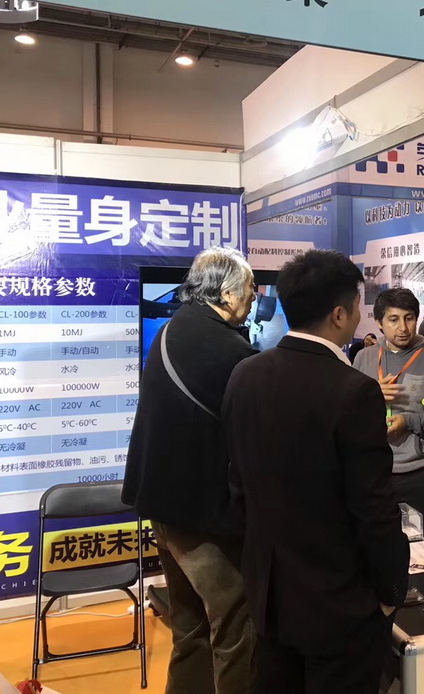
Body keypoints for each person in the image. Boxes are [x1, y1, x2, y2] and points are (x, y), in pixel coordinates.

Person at [224, 250, 409, 694]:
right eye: (359, 306)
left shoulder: (245, 374)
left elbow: (238, 486)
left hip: (268, 593)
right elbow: (373, 506)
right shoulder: (354, 391)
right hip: (339, 601)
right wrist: (391, 591)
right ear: (340, 314)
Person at [123, 247, 257, 694]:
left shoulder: (172, 329)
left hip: (162, 504)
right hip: (202, 515)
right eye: (250, 288)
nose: (254, 297)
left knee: (190, 627)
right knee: (235, 624)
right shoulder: (230, 349)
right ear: (227, 293)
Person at [354, 288, 424, 543]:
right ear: (379, 322)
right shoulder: (364, 358)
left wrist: (410, 421)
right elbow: (348, 414)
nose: (403, 327)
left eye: (409, 318)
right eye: (393, 319)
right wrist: (370, 398)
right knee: (376, 547)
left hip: (423, 474)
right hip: (375, 472)